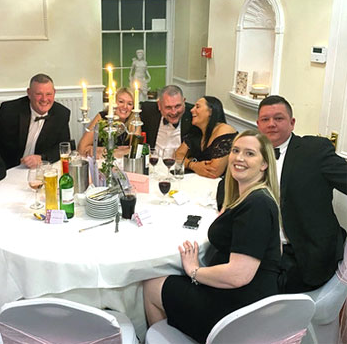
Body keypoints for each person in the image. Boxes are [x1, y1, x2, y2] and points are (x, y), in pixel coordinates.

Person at [143, 130, 281, 342]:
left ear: (264, 164)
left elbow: (238, 275)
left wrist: (195, 271)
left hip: (239, 313)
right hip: (248, 301)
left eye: (250, 153)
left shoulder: (257, 205)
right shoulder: (252, 197)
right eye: (235, 150)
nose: (239, 158)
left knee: (152, 285)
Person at [211, 96, 347, 294]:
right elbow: (226, 187)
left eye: (279, 118)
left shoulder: (314, 152)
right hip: (260, 250)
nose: (271, 124)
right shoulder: (251, 151)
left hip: (303, 253)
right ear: (258, 124)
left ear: (292, 123)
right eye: (265, 120)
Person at [0, 74, 72, 168]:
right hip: (8, 169)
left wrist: (42, 158)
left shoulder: (61, 114)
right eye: (39, 94)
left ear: (54, 93)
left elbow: (64, 146)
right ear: (29, 93)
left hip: (39, 169)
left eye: (49, 94)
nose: (44, 99)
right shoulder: (10, 110)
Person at [175, 96, 236, 178]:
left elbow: (213, 171)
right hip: (199, 180)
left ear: (210, 111)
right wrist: (193, 165)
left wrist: (188, 161)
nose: (191, 110)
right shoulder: (196, 131)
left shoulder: (224, 130)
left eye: (197, 106)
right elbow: (178, 155)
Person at [78, 88, 137, 157]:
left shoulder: (134, 120)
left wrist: (100, 151)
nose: (125, 106)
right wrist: (122, 150)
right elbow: (81, 149)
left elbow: (135, 151)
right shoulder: (102, 117)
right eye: (121, 102)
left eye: (129, 104)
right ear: (113, 103)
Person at [141, 85, 197, 156]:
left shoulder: (193, 115)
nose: (174, 112)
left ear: (184, 102)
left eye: (177, 106)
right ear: (159, 105)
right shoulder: (148, 111)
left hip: (180, 165)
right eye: (168, 107)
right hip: (153, 164)